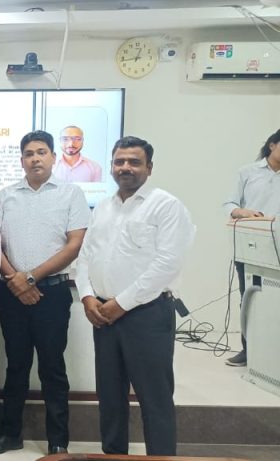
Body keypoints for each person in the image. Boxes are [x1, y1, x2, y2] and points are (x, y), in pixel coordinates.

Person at [76, 136, 195, 456]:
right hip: (103, 314)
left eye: (134, 162)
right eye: (119, 162)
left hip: (147, 314)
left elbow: (167, 264)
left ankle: (161, 458)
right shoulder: (103, 207)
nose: (125, 167)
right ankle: (114, 456)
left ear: (149, 168)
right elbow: (85, 256)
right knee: (109, 397)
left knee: (154, 398)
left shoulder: (166, 206)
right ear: (111, 167)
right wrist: (87, 297)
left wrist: (122, 303)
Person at [0, 131, 90, 456]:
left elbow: (75, 244)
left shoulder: (71, 194)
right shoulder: (6, 195)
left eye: (41, 152)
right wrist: (16, 280)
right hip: (11, 293)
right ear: (21, 160)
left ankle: (58, 442)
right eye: (29, 154)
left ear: (53, 157)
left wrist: (30, 278)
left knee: (52, 368)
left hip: (52, 294)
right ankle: (10, 435)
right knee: (16, 365)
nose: (35, 158)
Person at [221, 128, 280, 367]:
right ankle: (248, 349)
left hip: (278, 246)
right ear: (272, 145)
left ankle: (272, 353)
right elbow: (229, 203)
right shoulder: (247, 172)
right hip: (251, 246)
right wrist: (242, 211)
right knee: (250, 298)